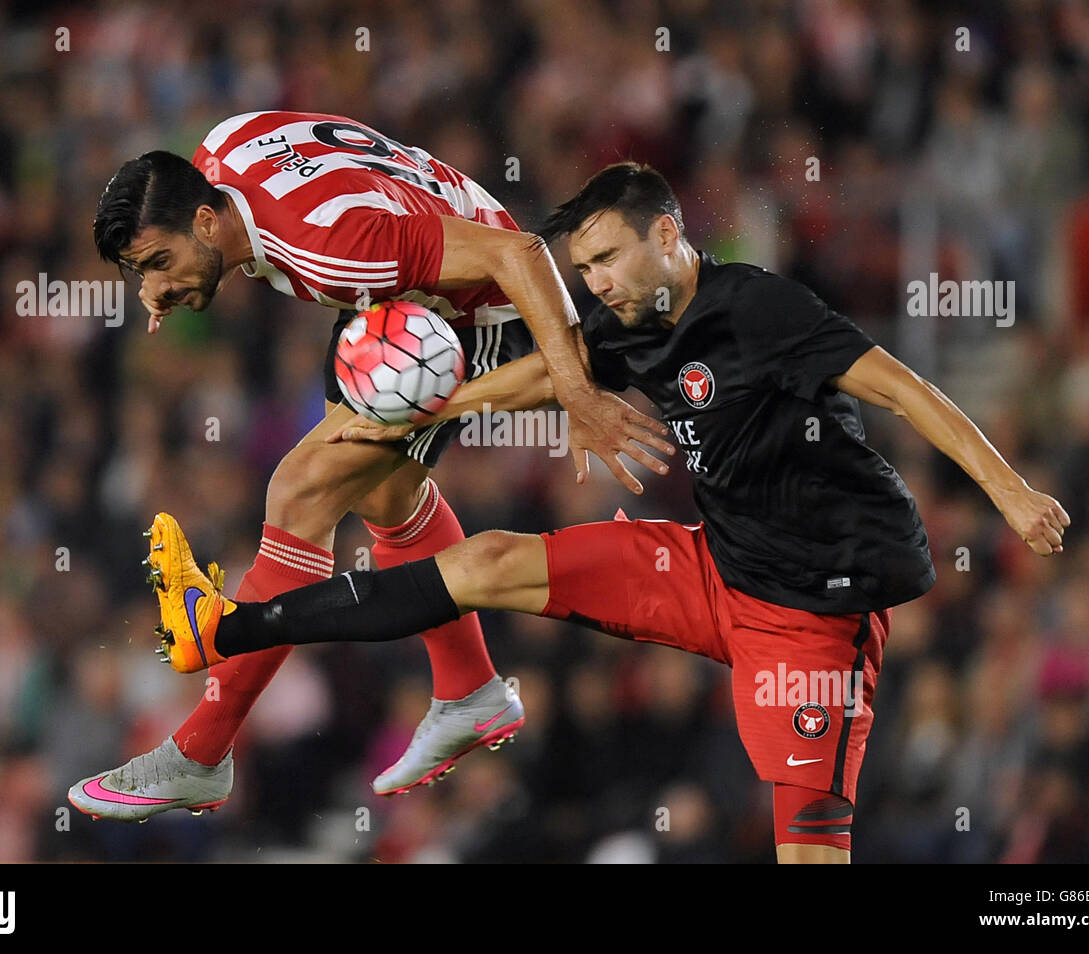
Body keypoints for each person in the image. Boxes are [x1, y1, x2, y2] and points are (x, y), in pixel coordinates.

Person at [142, 162, 1070, 862]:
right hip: (713, 568)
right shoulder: (630, 326)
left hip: (812, 621)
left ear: (668, 236)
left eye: (607, 258)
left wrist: (1013, 493)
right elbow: (552, 374)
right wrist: (434, 406)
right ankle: (232, 625)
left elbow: (905, 391)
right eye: (582, 267)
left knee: (810, 850)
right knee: (492, 560)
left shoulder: (761, 311)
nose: (596, 283)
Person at [68, 114, 673, 821]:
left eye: (158, 264)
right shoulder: (220, 152)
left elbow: (522, 253)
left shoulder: (331, 246)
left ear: (206, 221)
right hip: (399, 290)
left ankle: (200, 754)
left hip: (479, 308)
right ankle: (471, 689)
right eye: (144, 272)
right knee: (388, 496)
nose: (155, 285)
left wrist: (574, 387)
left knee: (298, 493)